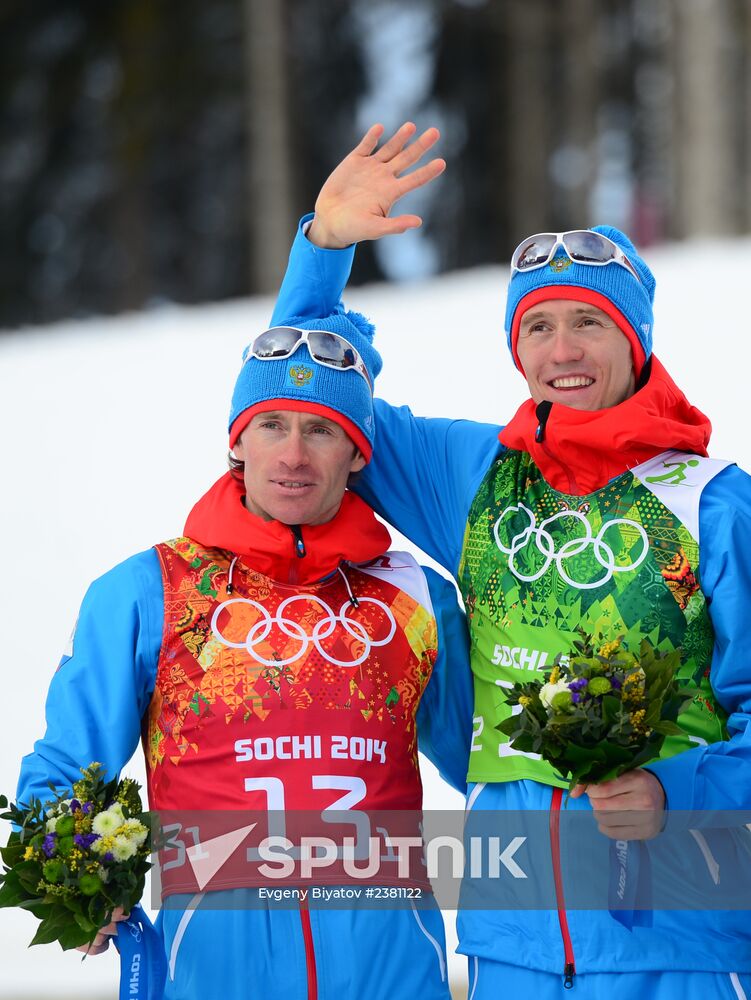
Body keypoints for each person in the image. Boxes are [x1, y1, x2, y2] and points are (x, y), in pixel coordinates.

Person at [270, 122, 751, 998]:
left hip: (677, 939)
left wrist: (672, 789)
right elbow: (305, 404)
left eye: (586, 325)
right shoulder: (474, 477)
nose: (561, 351)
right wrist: (324, 253)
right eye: (536, 327)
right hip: (511, 942)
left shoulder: (711, 504)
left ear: (635, 339)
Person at [16, 307, 473, 999]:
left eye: (322, 430)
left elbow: (488, 762)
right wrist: (74, 883)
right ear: (237, 441)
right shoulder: (149, 591)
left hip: (390, 969)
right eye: (272, 425)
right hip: (216, 971)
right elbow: (63, 769)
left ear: (357, 453)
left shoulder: (415, 597)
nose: (293, 455)